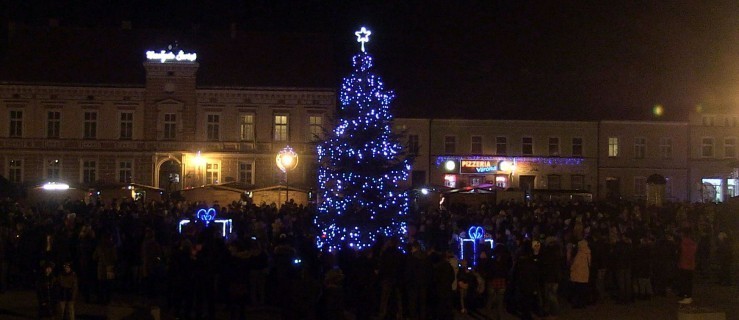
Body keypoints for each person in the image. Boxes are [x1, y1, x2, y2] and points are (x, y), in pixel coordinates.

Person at [677, 228, 697, 304]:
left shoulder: (684, 243)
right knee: (688, 281)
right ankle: (688, 296)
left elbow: (684, 254)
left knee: (685, 281)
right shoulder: (692, 242)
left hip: (685, 264)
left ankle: (687, 296)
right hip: (690, 265)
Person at [569, 239, 591, 309]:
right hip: (585, 274)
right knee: (583, 290)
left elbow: (575, 264)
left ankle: (578, 304)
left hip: (578, 275)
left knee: (577, 290)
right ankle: (583, 303)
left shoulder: (579, 254)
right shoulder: (588, 253)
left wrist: (571, 270)